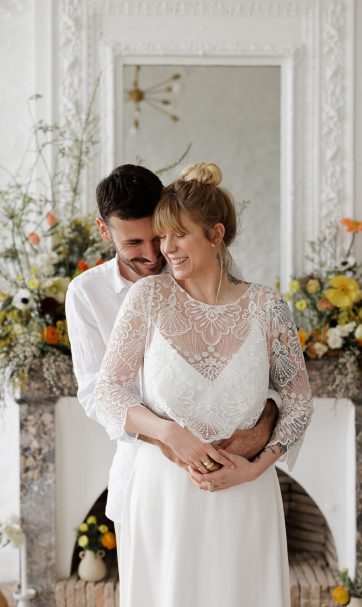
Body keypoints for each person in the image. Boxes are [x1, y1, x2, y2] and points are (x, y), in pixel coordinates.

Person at [94, 162, 313, 606]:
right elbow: (108, 390)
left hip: (247, 494)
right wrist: (170, 432)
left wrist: (257, 466)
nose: (165, 249)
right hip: (165, 495)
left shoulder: (268, 308)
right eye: (161, 236)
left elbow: (299, 402)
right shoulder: (148, 298)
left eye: (179, 235)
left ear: (216, 235)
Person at [65, 164, 280, 551]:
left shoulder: (205, 271)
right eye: (133, 243)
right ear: (104, 230)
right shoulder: (86, 294)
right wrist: (168, 435)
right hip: (148, 477)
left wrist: (263, 427)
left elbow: (252, 372)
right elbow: (98, 393)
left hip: (231, 475)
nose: (153, 254)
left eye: (158, 236)